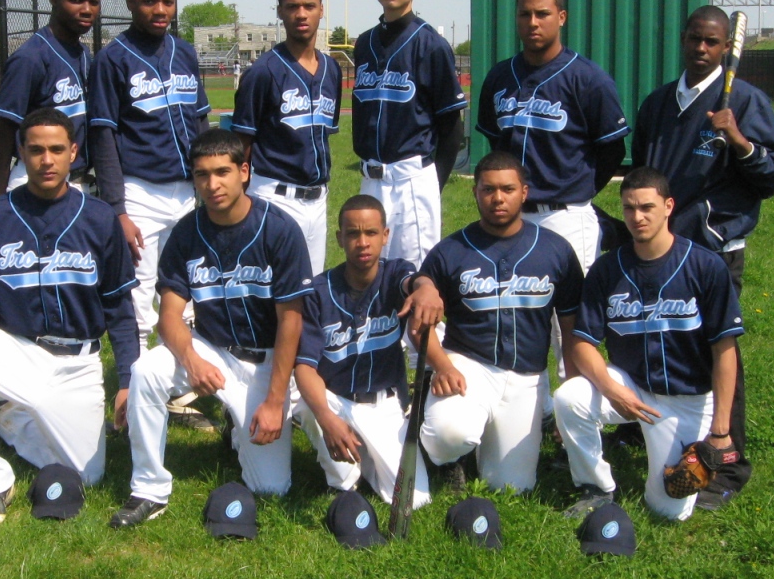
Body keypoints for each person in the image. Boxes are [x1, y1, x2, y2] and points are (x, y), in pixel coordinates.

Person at [0, 108, 139, 528]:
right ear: (21, 152)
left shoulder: (98, 218)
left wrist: (128, 380)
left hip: (77, 361)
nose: (46, 160)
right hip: (14, 348)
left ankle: (10, 420)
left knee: (87, 476)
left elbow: (120, 309)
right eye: (36, 150)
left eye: (56, 149)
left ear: (73, 152)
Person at [109, 129, 313, 528]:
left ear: (244, 172)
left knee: (271, 487)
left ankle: (237, 428)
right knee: (146, 370)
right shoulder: (187, 231)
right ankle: (148, 489)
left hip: (266, 360)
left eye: (222, 172)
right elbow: (170, 315)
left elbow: (292, 321)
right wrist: (191, 359)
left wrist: (275, 401)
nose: (212, 184)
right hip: (211, 348)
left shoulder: (279, 229)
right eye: (202, 174)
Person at [631, 5, 774, 508]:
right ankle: (643, 431)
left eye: (712, 42)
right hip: (660, 250)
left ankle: (726, 464)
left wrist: (739, 141)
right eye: (695, 39)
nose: (701, 49)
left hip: (713, 253)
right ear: (683, 39)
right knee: (653, 337)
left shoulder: (744, 100)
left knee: (719, 351)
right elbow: (643, 174)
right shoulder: (659, 103)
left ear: (726, 47)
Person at [555, 167, 743, 522]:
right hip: (632, 384)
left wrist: (720, 431)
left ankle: (666, 472)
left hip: (687, 399)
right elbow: (582, 344)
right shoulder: (608, 269)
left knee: (668, 509)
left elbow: (725, 350)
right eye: (629, 208)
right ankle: (596, 488)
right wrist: (612, 390)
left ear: (668, 206)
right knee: (570, 397)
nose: (637, 217)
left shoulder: (705, 266)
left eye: (646, 207)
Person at [87, 0, 213, 429]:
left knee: (189, 296)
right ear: (130, 4)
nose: (159, 10)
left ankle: (175, 391)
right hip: (140, 191)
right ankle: (135, 394)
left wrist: (208, 182)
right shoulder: (113, 58)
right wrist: (117, 209)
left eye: (167, 2)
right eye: (148, 1)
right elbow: (103, 135)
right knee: (139, 298)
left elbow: (201, 121)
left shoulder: (184, 52)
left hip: (188, 191)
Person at [417, 152, 583, 493]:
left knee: (510, 486)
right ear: (475, 192)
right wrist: (442, 366)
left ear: (524, 192)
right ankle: (447, 457)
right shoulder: (450, 250)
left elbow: (571, 329)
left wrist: (573, 392)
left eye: (507, 189)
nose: (497, 198)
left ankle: (481, 440)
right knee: (450, 434)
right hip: (467, 366)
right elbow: (420, 325)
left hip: (528, 375)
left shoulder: (555, 249)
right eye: (488, 189)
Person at [292, 195, 443, 507]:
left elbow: (413, 282)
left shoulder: (394, 274)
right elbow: (304, 367)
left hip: (383, 403)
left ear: (385, 235)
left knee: (414, 500)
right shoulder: (318, 292)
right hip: (336, 401)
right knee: (309, 410)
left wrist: (426, 288)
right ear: (339, 238)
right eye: (353, 233)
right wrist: (325, 417)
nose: (363, 242)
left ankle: (368, 457)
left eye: (371, 233)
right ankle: (345, 472)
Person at [476, 0, 629, 272]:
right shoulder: (499, 76)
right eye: (525, 14)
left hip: (565, 216)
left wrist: (577, 190)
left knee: (569, 300)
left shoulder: (589, 79)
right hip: (511, 214)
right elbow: (497, 144)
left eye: (542, 14)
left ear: (561, 17)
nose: (533, 22)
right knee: (514, 298)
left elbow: (613, 150)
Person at [351, 0, 466, 267]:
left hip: (411, 179)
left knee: (413, 276)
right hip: (369, 177)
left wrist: (431, 183)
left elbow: (451, 128)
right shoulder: (364, 43)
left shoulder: (431, 45)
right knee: (367, 272)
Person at [232, 0, 342, 276]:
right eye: (292, 6)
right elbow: (242, 144)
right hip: (274, 195)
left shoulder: (332, 69)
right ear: (280, 11)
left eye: (309, 6)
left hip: (318, 200)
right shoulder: (263, 71)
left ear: (321, 10)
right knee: (269, 288)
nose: (301, 14)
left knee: (310, 287)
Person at [0, 0, 100, 194]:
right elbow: (0, 128)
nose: (87, 9)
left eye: (94, 2)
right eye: (76, 0)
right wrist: (4, 192)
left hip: (78, 181)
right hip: (36, 180)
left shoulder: (83, 54)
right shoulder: (31, 57)